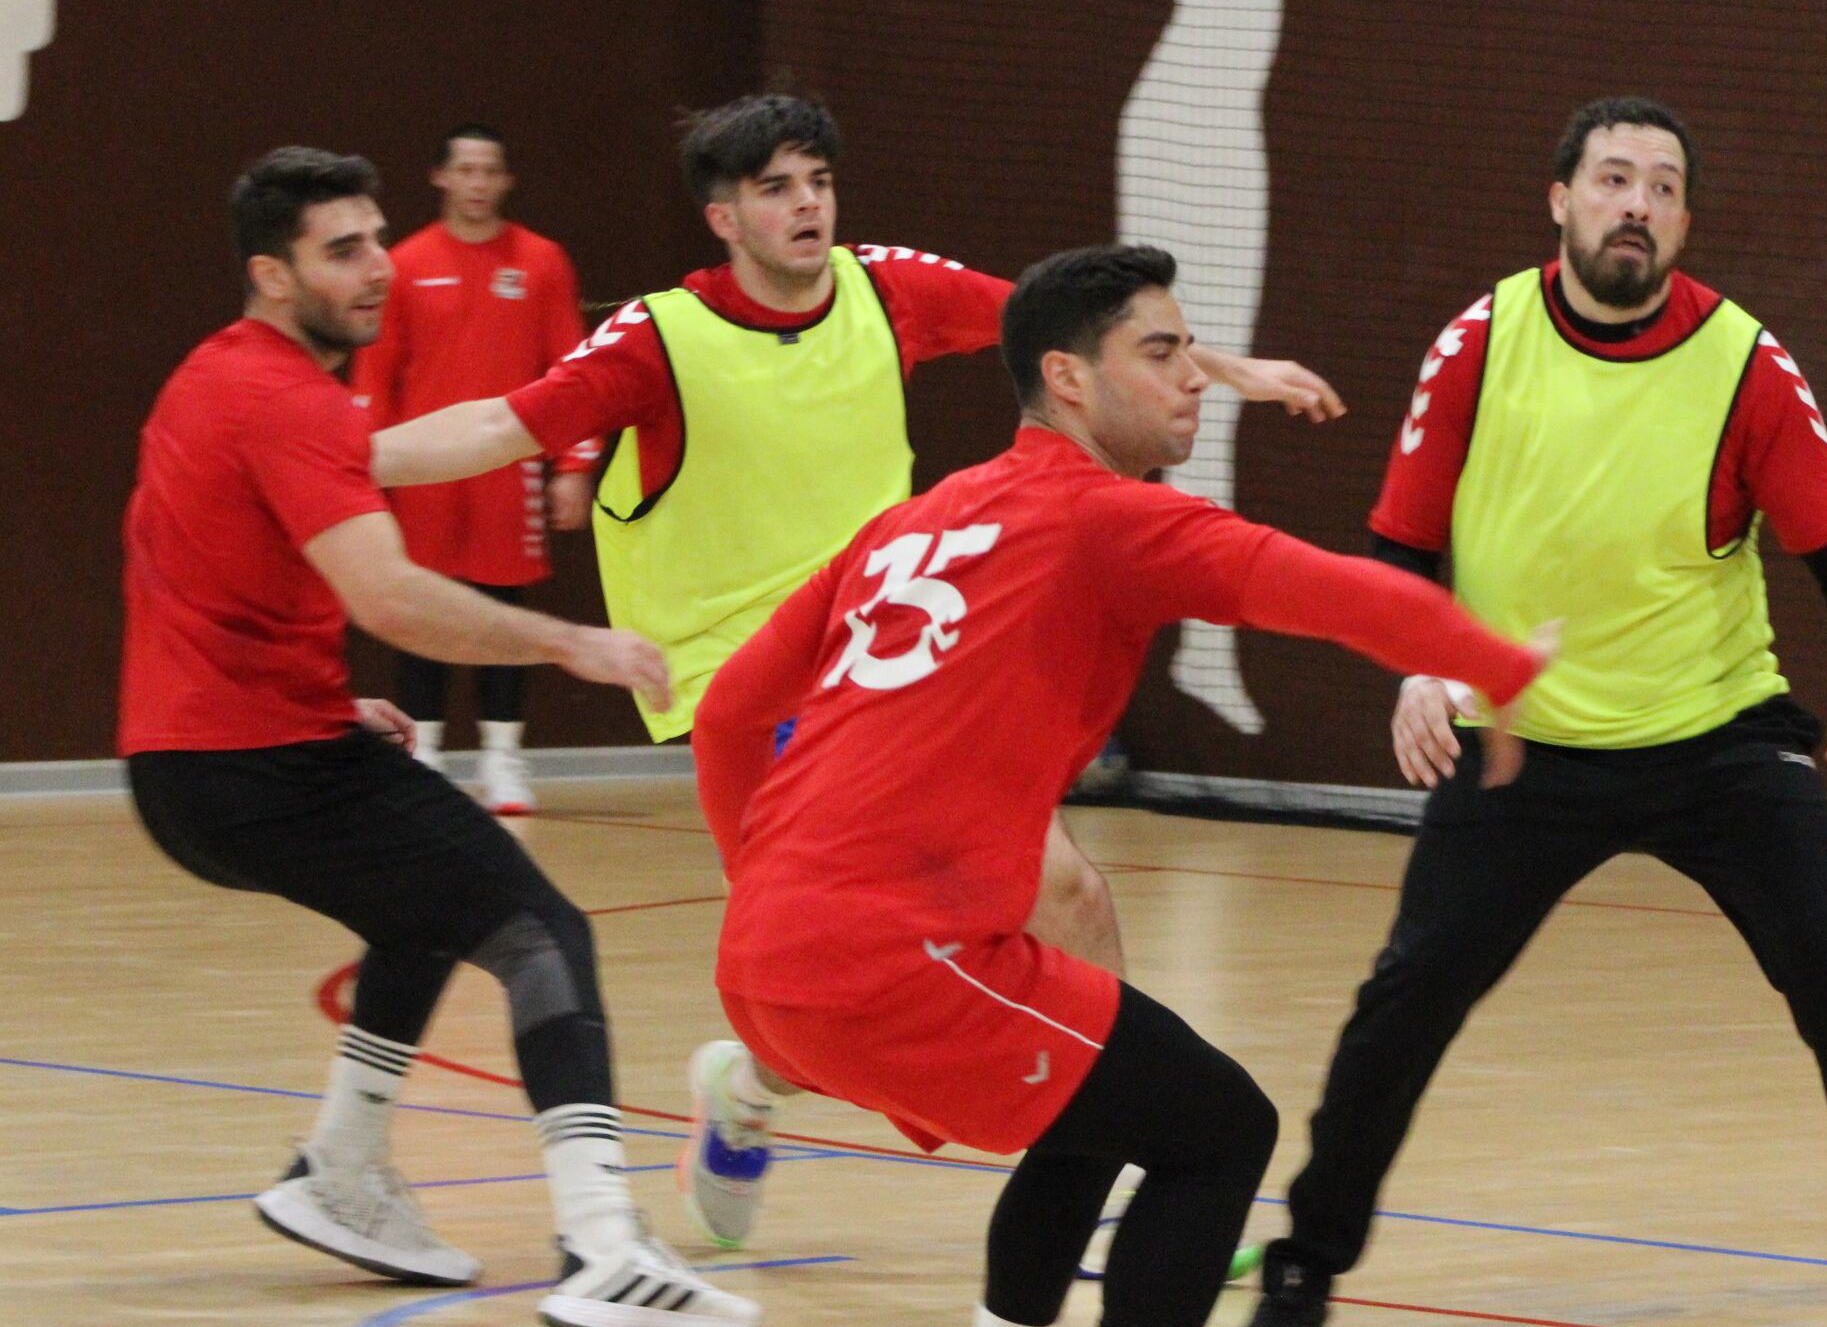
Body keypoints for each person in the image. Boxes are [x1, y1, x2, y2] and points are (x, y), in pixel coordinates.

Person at [689, 243, 1548, 1327]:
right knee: (1223, 1133)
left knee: (1102, 1111)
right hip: (891, 953)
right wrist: (1497, 664)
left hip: (770, 959)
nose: (1193, 378)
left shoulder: (913, 521)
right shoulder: (1100, 518)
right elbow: (1317, 588)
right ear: (1068, 379)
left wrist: (770, 894)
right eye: (1163, 353)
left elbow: (734, 712)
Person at [365, 94, 1342, 1248]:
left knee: (1018, 915)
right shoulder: (658, 337)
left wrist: (1226, 370)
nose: (807, 204)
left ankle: (779, 1089)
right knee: (924, 945)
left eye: (819, 180)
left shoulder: (889, 291)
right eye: (777, 187)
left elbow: (1070, 328)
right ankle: (1097, 1149)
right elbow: (494, 431)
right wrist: (328, 460)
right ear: (723, 215)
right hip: (753, 692)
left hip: (896, 666)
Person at [1208, 96, 1827, 1327]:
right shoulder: (1479, 344)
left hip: (1716, 737)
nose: (1634, 203)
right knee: (1404, 1003)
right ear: (1561, 201)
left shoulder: (1747, 364)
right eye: (1611, 178)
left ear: (1685, 223)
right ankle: (1297, 1288)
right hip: (1522, 738)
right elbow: (1401, 552)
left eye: (1662, 187)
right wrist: (1418, 660)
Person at [119, 147, 757, 1327]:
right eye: (342, 251)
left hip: (207, 760)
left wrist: (308, 694)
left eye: (376, 240)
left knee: (428, 906)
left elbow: (204, 564)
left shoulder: (220, 377)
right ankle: (604, 1246)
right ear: (272, 272)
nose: (375, 269)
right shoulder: (288, 396)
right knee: (542, 934)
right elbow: (393, 599)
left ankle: (341, 1170)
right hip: (252, 769)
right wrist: (570, 642)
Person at [976, 0, 1527, 730]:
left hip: (1191, 106)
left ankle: (1144, 647)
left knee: (1169, 396)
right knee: (1173, 407)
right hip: (1197, 114)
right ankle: (1180, 651)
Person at [348, 125, 590, 811]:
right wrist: (365, 470)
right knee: (419, 608)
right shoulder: (402, 264)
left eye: (491, 170)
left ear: (505, 181)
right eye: (466, 170)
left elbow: (570, 369)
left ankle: (503, 761)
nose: (479, 183)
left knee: (500, 612)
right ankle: (421, 754)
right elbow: (376, 374)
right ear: (441, 179)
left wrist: (574, 463)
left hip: (505, 476)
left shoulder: (540, 262)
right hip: (423, 474)